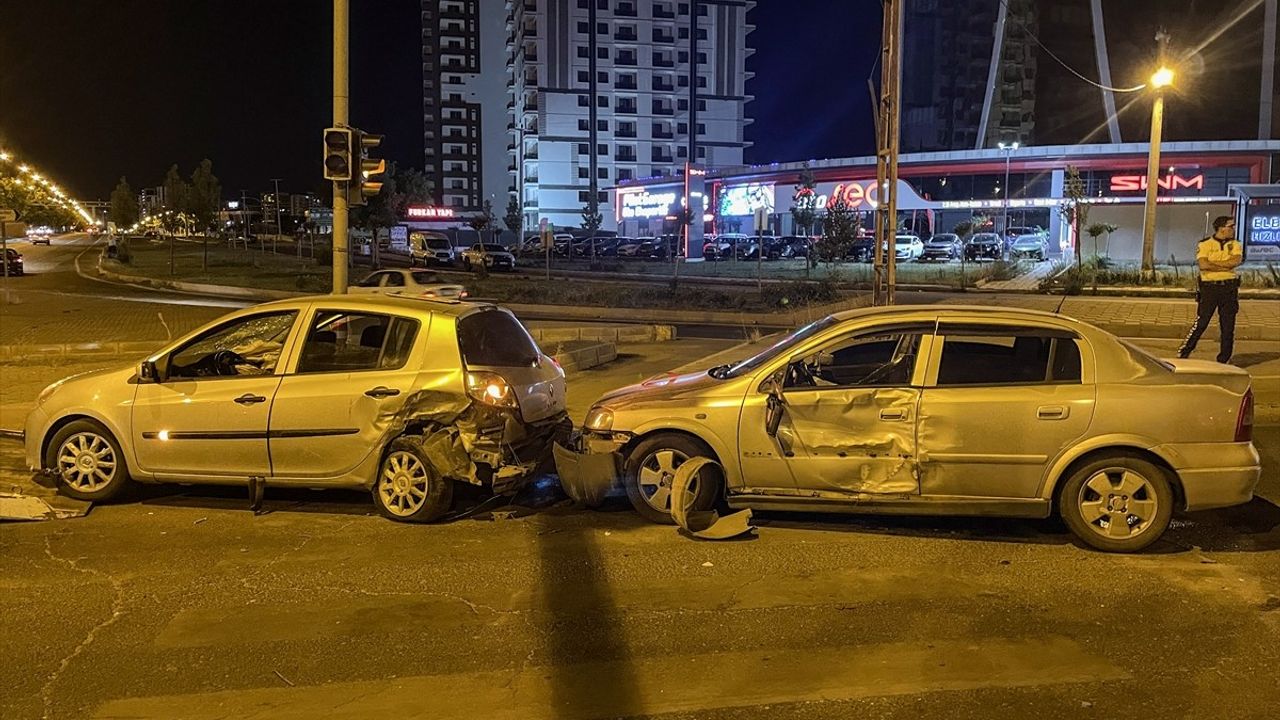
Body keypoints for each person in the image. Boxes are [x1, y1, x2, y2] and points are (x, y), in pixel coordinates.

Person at [1178, 216, 1242, 363]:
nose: (1233, 229)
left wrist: (1214, 263)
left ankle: (1224, 359)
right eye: (1231, 226)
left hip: (1229, 288)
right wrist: (1225, 265)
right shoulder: (1205, 244)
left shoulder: (1236, 244)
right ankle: (1184, 351)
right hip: (1209, 289)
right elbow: (1203, 265)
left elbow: (1235, 261)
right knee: (1202, 322)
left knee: (1228, 326)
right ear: (1221, 228)